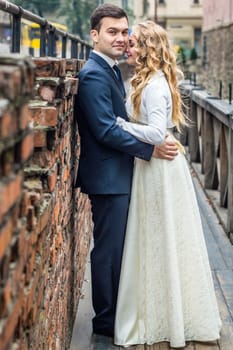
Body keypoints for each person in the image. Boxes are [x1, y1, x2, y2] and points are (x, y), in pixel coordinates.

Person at [114, 21, 222, 348]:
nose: (127, 48)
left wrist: (119, 124)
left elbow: (156, 132)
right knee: (158, 236)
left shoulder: (154, 86)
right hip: (155, 164)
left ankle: (169, 313)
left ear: (147, 48)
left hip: (159, 166)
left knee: (162, 236)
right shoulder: (148, 80)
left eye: (132, 43)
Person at [74, 4, 178, 338]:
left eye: (124, 32)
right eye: (112, 32)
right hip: (107, 179)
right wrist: (151, 148)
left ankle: (118, 314)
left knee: (118, 250)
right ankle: (105, 323)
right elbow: (105, 129)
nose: (120, 39)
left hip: (118, 173)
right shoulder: (92, 73)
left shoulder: (112, 70)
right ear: (95, 35)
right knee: (108, 252)